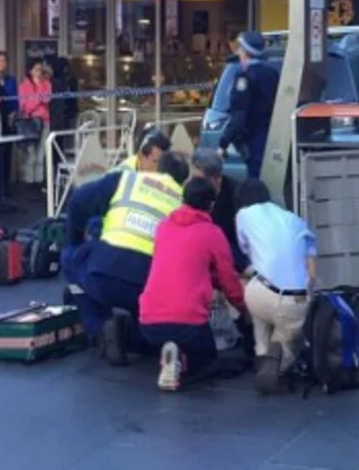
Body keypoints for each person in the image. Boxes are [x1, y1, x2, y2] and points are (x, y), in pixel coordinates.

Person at [63, 150, 189, 366]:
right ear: (183, 179)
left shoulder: (127, 179)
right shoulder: (185, 201)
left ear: (157, 167)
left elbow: (78, 201)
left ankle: (100, 325)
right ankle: (134, 337)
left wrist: (76, 239)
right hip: (149, 287)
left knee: (69, 257)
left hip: (104, 272)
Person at [139, 176, 249, 392]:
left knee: (158, 338)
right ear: (211, 205)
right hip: (188, 323)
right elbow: (229, 281)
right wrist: (243, 309)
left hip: (149, 320)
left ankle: (165, 353)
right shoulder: (212, 234)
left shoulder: (163, 227)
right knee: (211, 361)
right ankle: (182, 365)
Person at [234, 178, 316, 394]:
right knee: (290, 335)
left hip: (260, 292)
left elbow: (246, 250)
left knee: (256, 304)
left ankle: (261, 352)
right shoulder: (297, 221)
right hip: (293, 299)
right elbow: (312, 273)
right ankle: (280, 354)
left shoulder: (243, 215)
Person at [219, 31, 280, 179]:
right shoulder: (272, 73)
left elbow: (240, 114)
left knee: (255, 179)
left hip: (254, 137)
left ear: (245, 52)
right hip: (274, 136)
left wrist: (224, 142)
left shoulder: (245, 76)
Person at [191, 148, 247, 271]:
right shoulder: (193, 192)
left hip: (233, 255)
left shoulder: (237, 194)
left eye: (200, 179)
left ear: (216, 178)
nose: (194, 183)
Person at [0, 51, 19, 208]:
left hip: (9, 120)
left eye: (4, 61)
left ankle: (6, 189)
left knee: (7, 156)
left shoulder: (11, 80)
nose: (2, 64)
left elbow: (15, 99)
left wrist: (14, 112)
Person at [18, 60, 52, 185]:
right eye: (36, 70)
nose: (38, 73)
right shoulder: (23, 86)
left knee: (41, 155)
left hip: (44, 121)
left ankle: (38, 182)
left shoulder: (46, 83)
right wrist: (38, 100)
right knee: (31, 154)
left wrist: (39, 89)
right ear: (30, 71)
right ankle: (29, 182)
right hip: (30, 122)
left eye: (40, 70)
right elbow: (25, 106)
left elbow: (47, 99)